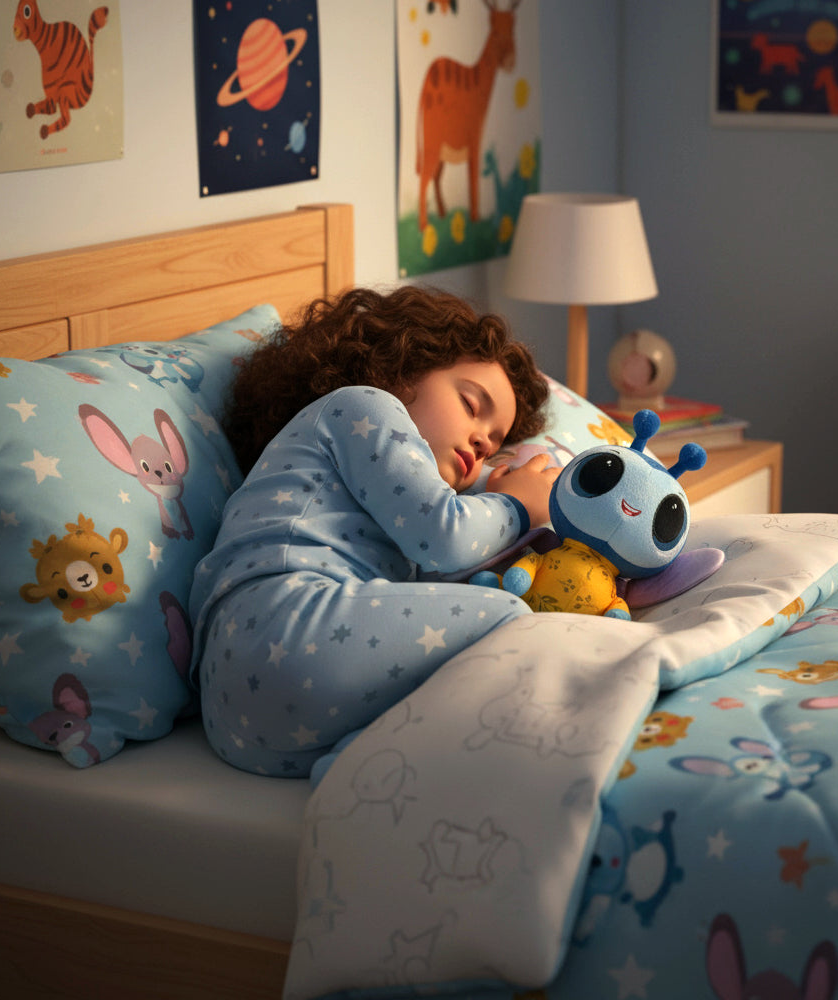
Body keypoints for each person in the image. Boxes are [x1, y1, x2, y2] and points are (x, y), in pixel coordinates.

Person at [188, 285, 560, 777]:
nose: (480, 442)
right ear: (404, 367)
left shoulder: (389, 495)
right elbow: (444, 537)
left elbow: (427, 584)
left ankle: (360, 766)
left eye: (493, 446)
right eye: (472, 405)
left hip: (242, 719)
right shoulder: (363, 407)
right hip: (281, 625)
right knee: (512, 616)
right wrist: (517, 505)